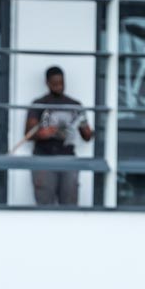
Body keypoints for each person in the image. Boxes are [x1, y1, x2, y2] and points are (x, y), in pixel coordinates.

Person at [24, 65, 93, 207]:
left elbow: (86, 135)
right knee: (44, 203)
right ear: (47, 83)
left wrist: (88, 128)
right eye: (55, 84)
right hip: (43, 158)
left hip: (68, 158)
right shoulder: (39, 104)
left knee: (70, 203)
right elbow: (28, 134)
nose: (59, 87)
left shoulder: (74, 105)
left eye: (61, 83)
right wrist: (46, 132)